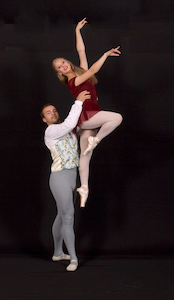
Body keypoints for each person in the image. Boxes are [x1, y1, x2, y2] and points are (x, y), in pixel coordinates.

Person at [52, 17, 123, 208]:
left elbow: (81, 51)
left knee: (85, 156)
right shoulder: (72, 81)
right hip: (86, 117)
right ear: (59, 73)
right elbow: (92, 69)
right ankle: (97, 140)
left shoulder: (79, 71)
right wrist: (106, 55)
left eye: (64, 62)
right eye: (59, 67)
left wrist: (77, 31)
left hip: (91, 116)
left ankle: (84, 188)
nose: (63, 65)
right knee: (117, 118)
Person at [41, 90, 91, 272]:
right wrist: (78, 102)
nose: (53, 113)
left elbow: (83, 125)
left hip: (72, 177)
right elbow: (71, 122)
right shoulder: (51, 130)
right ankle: (74, 259)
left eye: (54, 110)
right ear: (44, 120)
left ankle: (57, 253)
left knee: (61, 215)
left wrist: (90, 102)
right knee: (68, 217)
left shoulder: (69, 130)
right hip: (59, 177)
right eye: (48, 113)